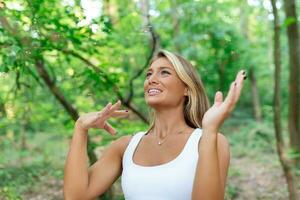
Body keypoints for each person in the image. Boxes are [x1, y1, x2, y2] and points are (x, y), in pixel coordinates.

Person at [63, 49, 246, 200]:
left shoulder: (211, 141)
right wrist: (80, 128)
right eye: (149, 74)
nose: (151, 79)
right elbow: (75, 196)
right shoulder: (125, 147)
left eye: (164, 72)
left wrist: (210, 130)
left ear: (187, 89)